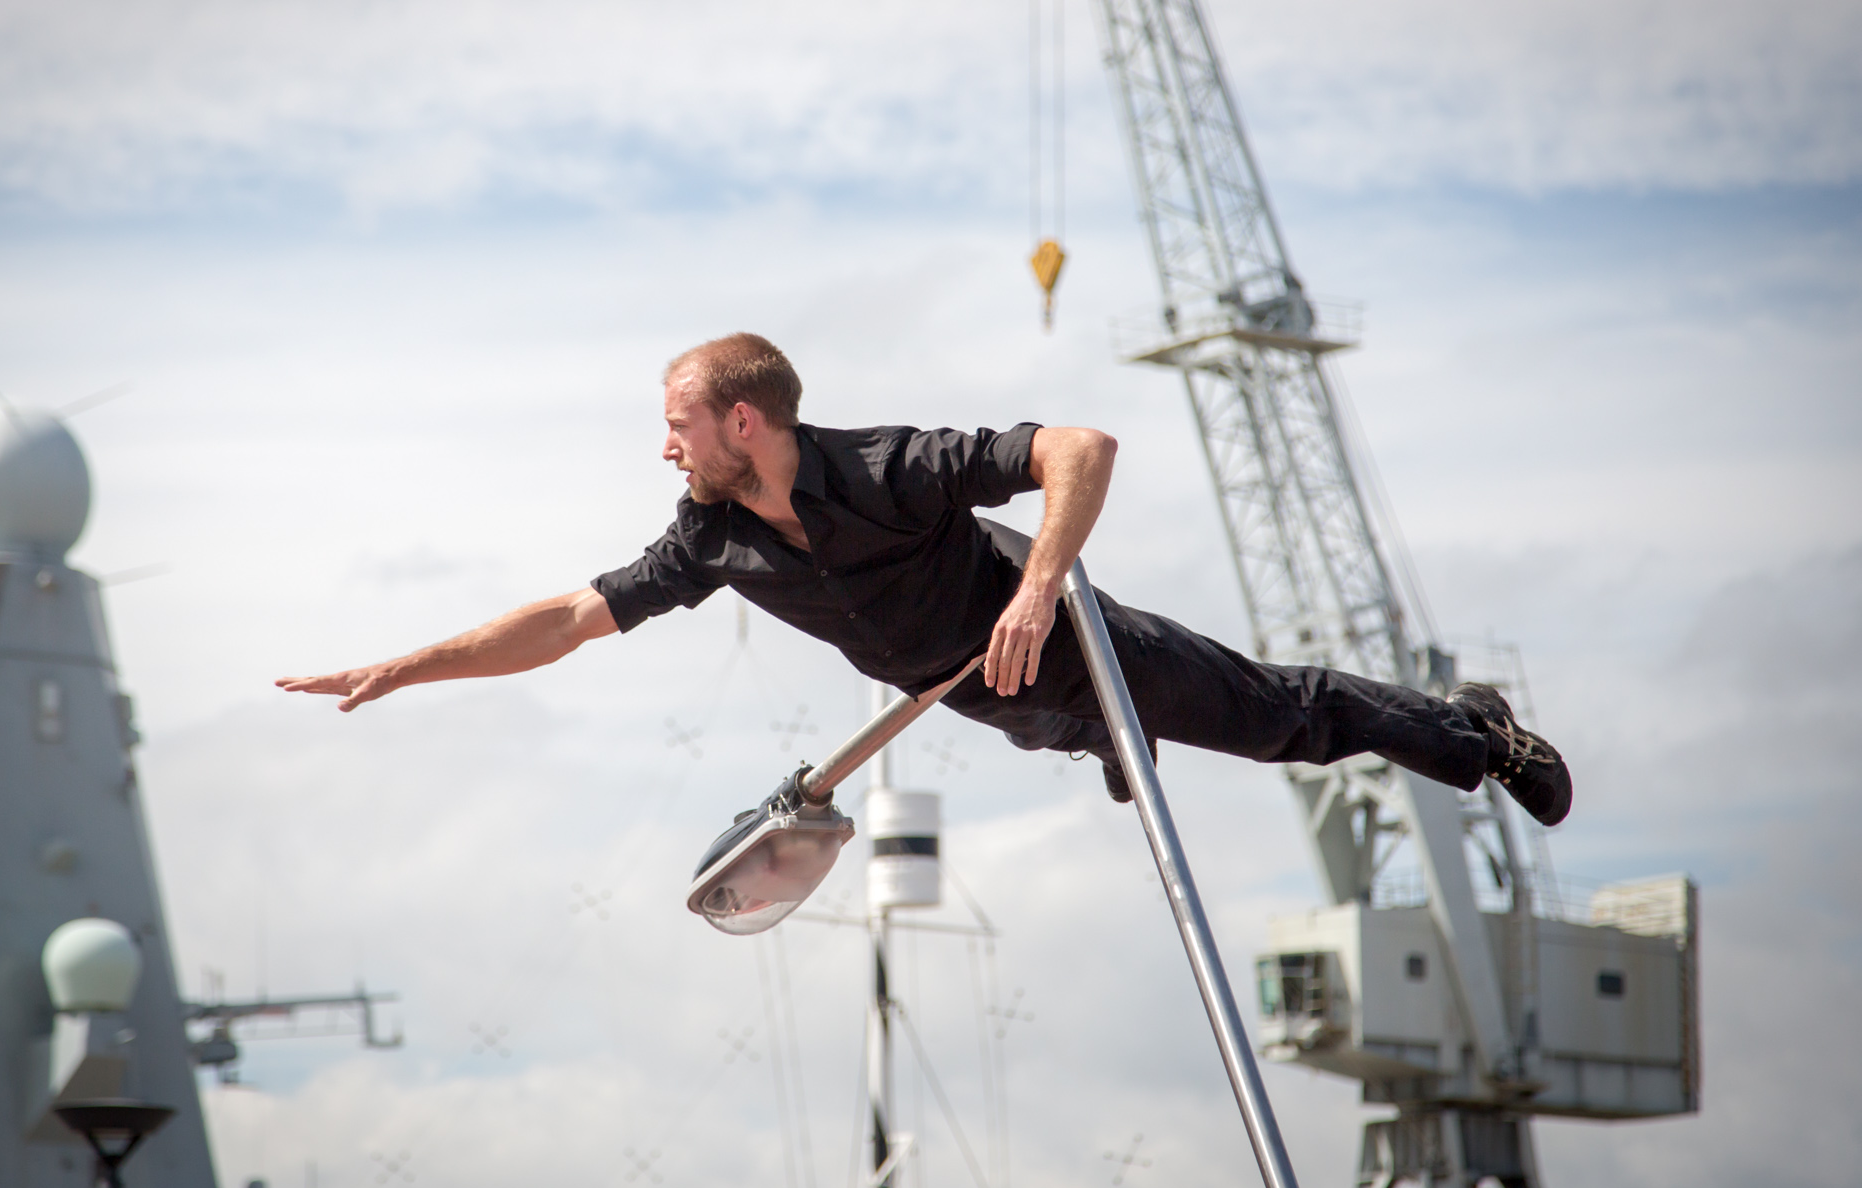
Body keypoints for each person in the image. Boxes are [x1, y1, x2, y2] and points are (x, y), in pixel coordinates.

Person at [278, 333, 1570, 825]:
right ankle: (1107, 744)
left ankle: (1480, 736)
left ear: (746, 423)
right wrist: (412, 662)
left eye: (678, 422)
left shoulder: (890, 466)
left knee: (1285, 717)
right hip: (978, 692)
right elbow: (566, 618)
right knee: (1061, 731)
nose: (661, 446)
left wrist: (1031, 587)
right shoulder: (706, 538)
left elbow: (1082, 444)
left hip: (1066, 637)